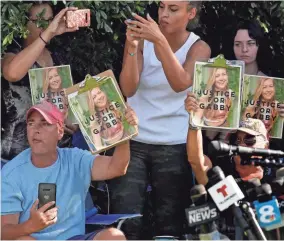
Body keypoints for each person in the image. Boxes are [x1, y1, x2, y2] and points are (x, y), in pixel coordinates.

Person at [110, 1, 211, 239]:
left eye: (173, 9)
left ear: (191, 13)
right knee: (126, 220)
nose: (164, 14)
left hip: (175, 143)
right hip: (134, 139)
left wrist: (158, 40)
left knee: (170, 223)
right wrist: (133, 46)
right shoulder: (144, 38)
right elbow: (128, 88)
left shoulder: (199, 48)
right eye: (162, 7)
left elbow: (180, 82)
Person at [1, 101, 138, 240]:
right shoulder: (12, 172)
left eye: (45, 123)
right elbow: (3, 232)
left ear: (60, 131)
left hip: (73, 238)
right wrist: (30, 226)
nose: (36, 129)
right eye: (31, 123)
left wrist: (123, 132)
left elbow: (116, 167)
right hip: (32, 238)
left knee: (114, 236)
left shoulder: (74, 159)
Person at [1, 3, 79, 161]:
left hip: (56, 156)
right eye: (39, 21)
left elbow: (71, 104)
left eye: (49, 20)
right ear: (23, 23)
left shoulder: (58, 57)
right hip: (16, 158)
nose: (45, 26)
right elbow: (12, 73)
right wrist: (48, 33)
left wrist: (71, 123)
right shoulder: (11, 52)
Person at [185, 92, 266, 185]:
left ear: (265, 145)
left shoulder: (276, 172)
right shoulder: (220, 169)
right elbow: (196, 161)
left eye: (250, 139)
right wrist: (195, 118)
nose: (241, 145)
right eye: (236, 140)